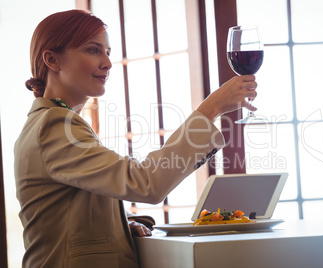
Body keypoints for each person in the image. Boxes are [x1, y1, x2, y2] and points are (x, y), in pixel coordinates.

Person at [14, 9, 257, 268]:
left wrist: (123, 223)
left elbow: (68, 210)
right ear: (52, 59)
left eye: (108, 52)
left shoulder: (55, 122)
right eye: (93, 50)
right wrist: (212, 108)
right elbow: (145, 183)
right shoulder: (53, 125)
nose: (107, 63)